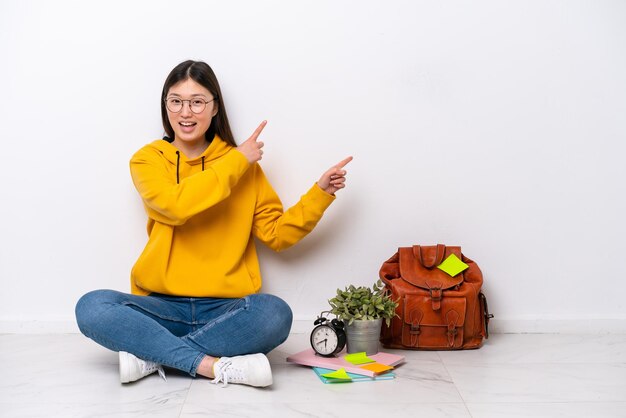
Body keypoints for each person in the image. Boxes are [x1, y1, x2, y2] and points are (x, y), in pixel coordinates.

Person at [75, 60, 352, 388]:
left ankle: (153, 355)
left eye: (197, 101)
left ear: (215, 107)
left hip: (226, 310)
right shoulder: (148, 160)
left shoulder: (244, 167)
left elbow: (277, 235)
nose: (185, 112)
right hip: (162, 306)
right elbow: (175, 205)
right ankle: (211, 365)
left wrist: (320, 193)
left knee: (275, 313)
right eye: (176, 101)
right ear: (165, 106)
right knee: (92, 306)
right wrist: (237, 161)